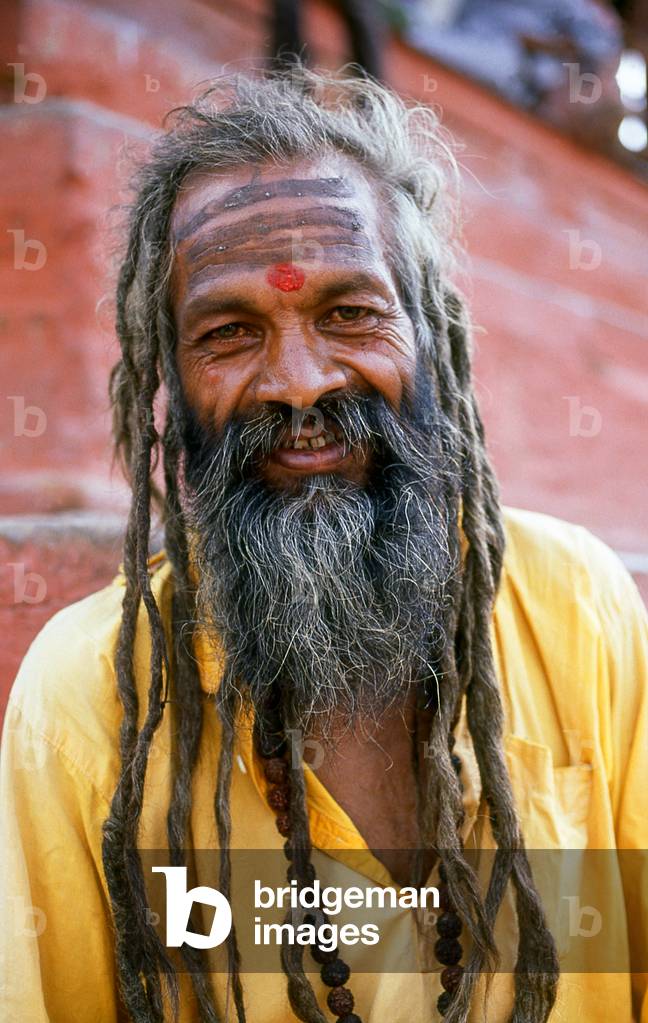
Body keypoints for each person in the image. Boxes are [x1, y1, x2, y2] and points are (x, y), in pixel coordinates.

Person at [1, 69, 646, 1023]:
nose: (299, 382)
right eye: (230, 332)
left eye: (350, 313)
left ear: (429, 337)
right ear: (170, 378)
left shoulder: (575, 605)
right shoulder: (85, 698)